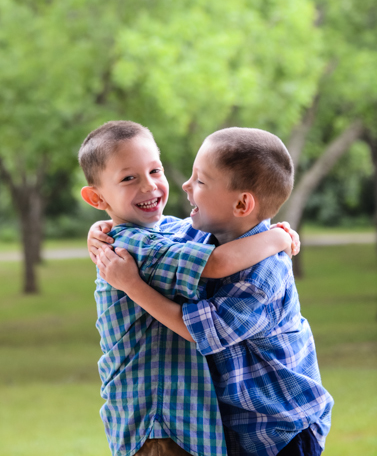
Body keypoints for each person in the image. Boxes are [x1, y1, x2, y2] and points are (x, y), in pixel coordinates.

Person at [90, 127, 333, 456]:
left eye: (200, 181)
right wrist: (102, 225)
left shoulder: (265, 272)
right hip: (235, 424)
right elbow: (164, 238)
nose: (186, 186)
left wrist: (277, 239)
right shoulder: (201, 236)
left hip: (282, 429)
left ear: (242, 203)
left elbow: (202, 325)